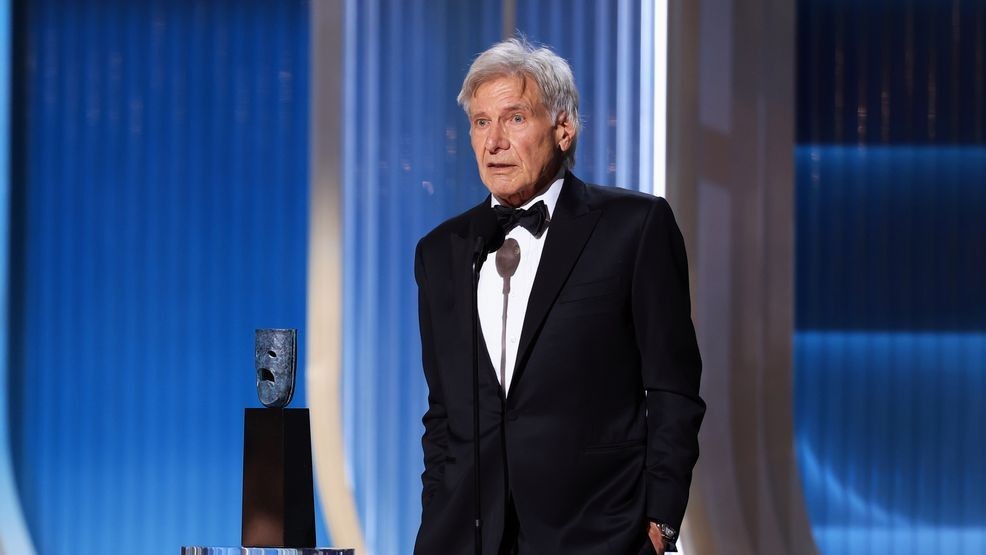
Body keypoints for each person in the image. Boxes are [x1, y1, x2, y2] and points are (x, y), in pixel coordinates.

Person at [413, 38, 705, 555]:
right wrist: (437, 511)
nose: (493, 142)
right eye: (481, 122)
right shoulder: (440, 252)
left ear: (563, 128)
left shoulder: (634, 228)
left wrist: (660, 520)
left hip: (596, 535)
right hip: (464, 537)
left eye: (515, 118)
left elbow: (672, 390)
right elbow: (444, 413)